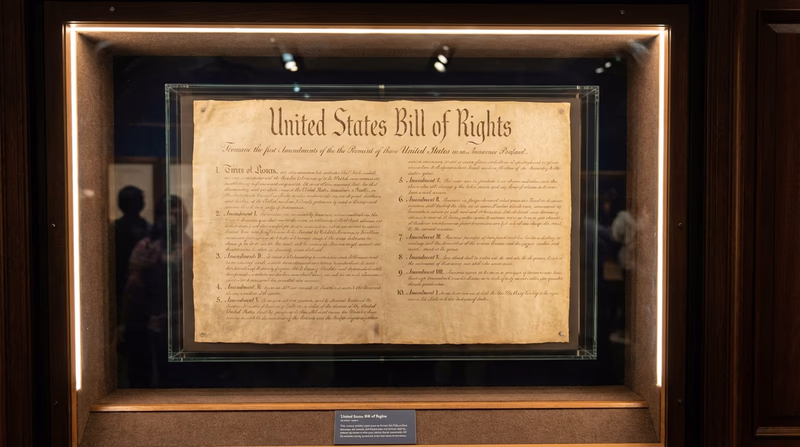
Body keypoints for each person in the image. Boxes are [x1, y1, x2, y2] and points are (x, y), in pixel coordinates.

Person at [121, 194, 190, 387]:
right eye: (171, 216)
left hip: (183, 325)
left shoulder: (191, 246)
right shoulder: (147, 247)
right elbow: (132, 289)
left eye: (180, 215)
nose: (175, 221)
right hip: (149, 323)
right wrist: (123, 324)